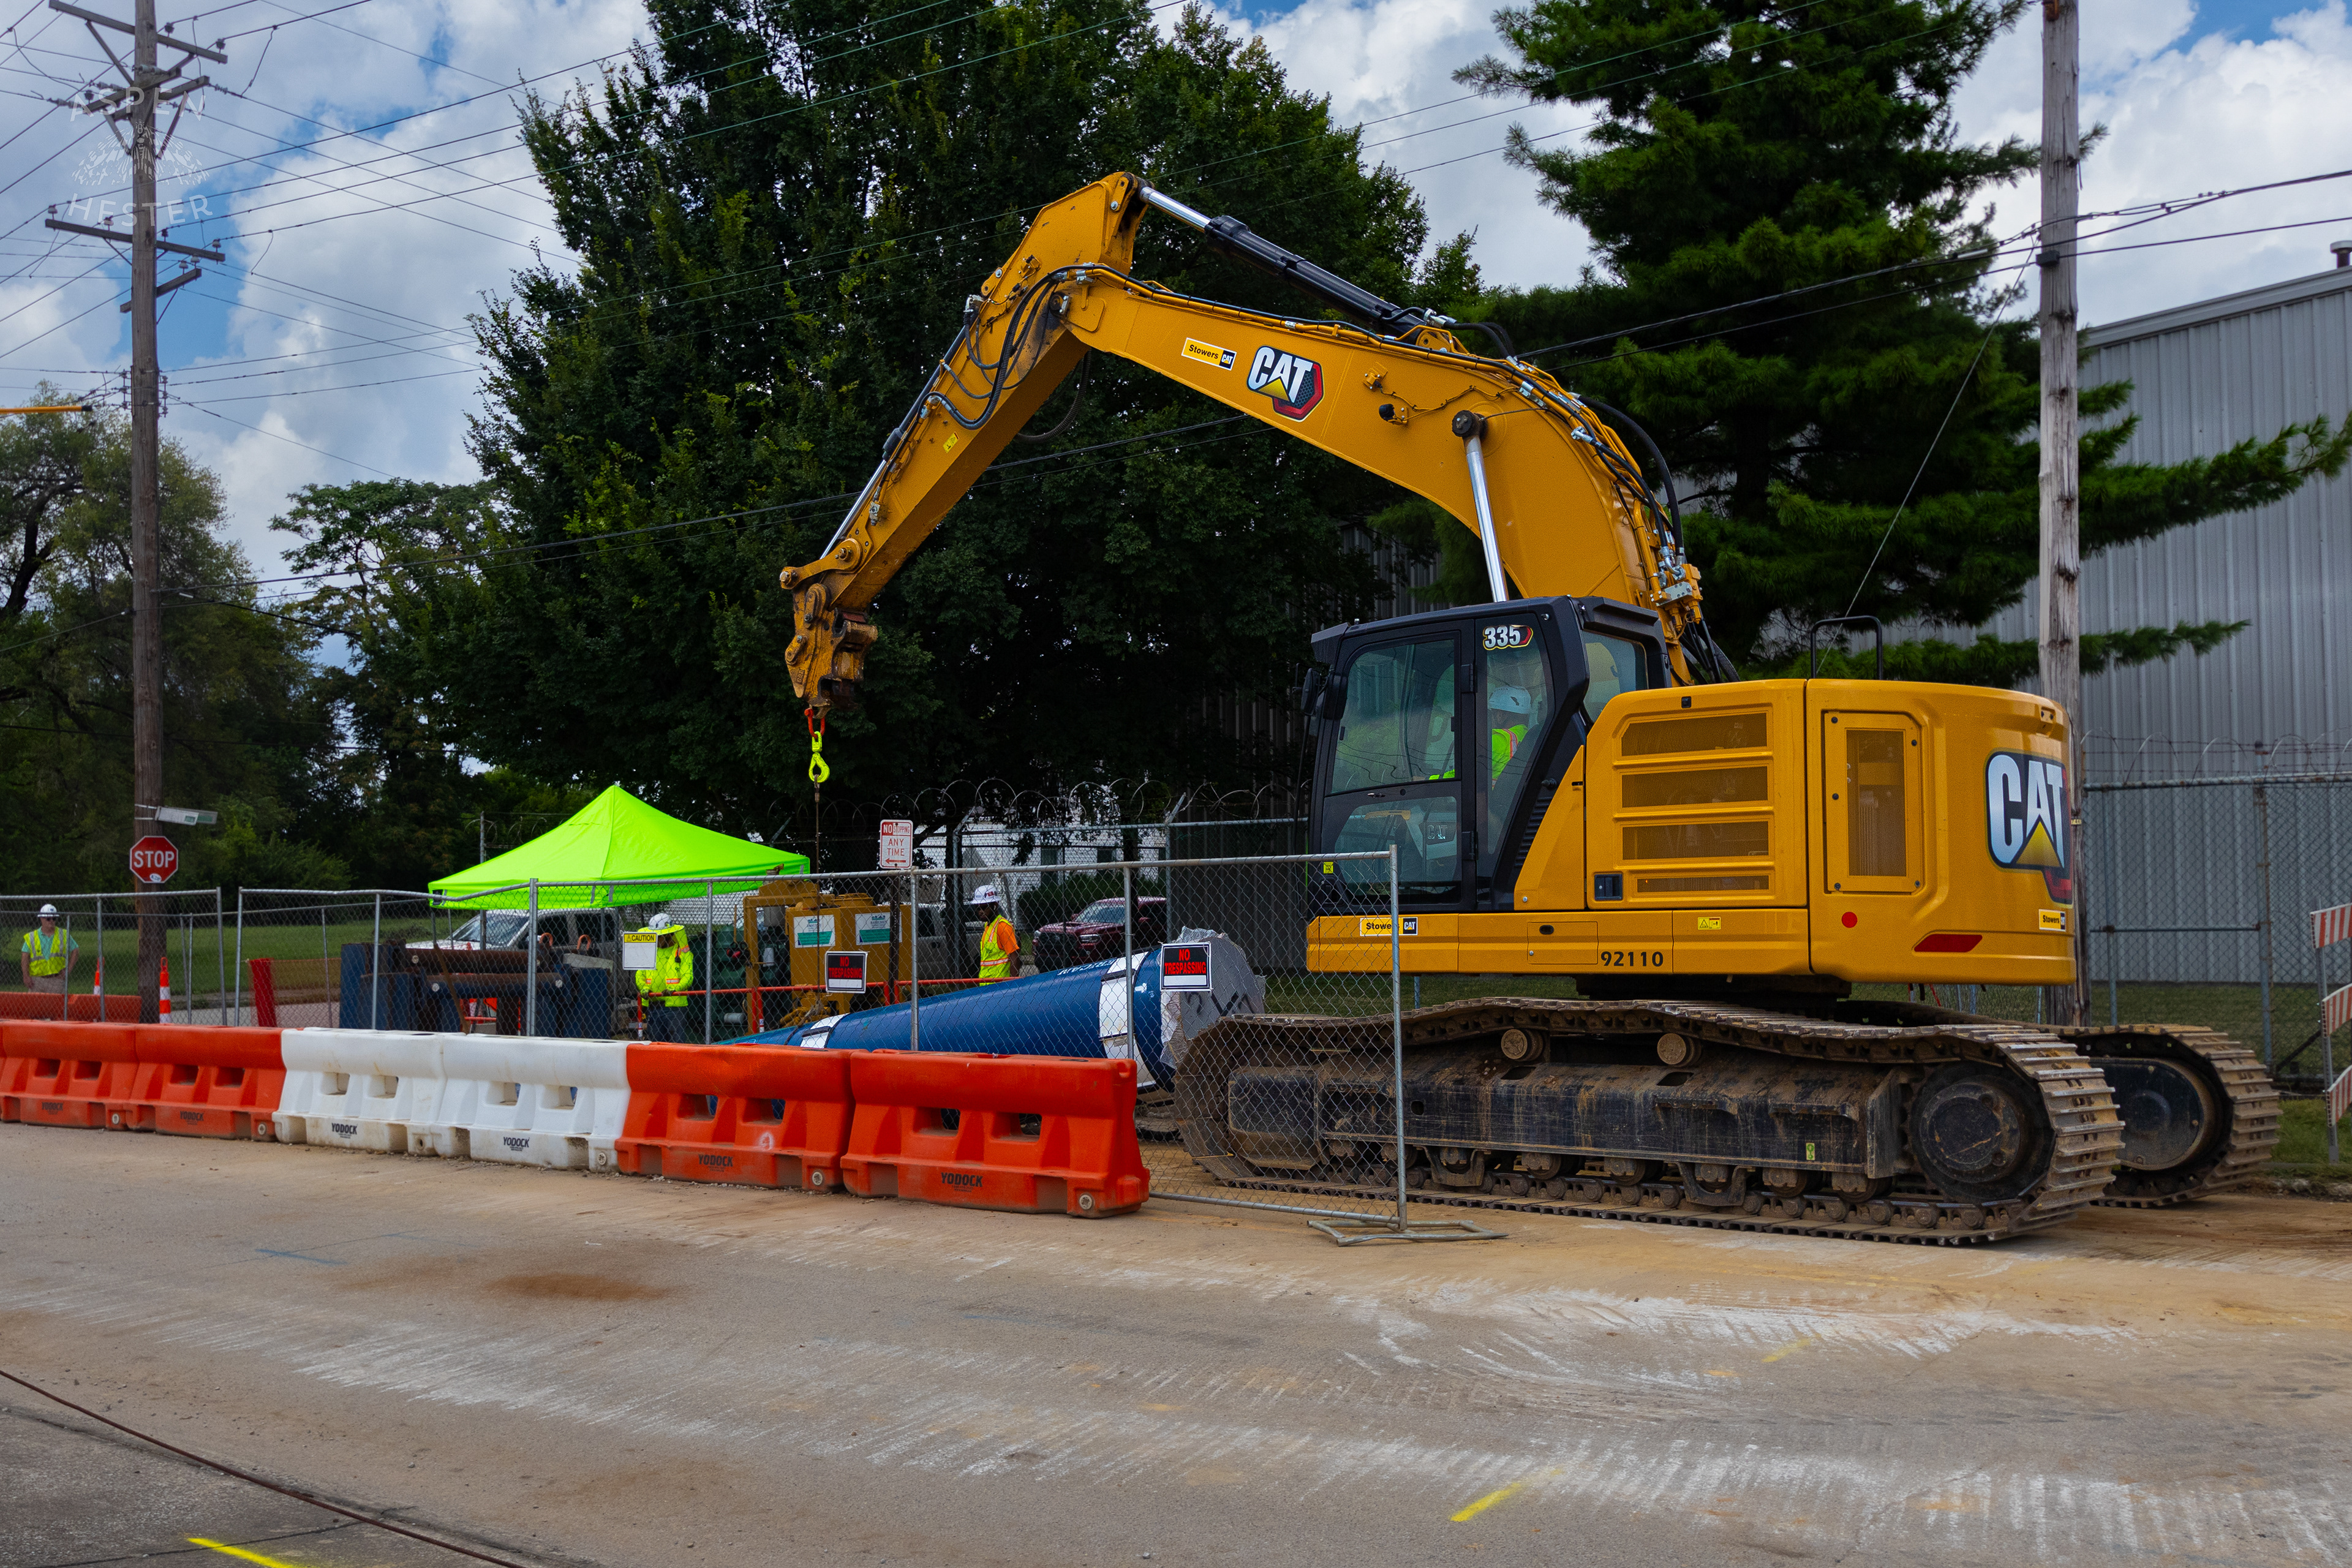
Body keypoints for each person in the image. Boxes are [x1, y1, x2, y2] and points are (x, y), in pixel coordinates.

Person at [630, 913, 695, 1039]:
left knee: (677, 1044)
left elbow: (688, 976)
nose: (656, 940)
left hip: (675, 1007)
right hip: (654, 1007)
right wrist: (643, 988)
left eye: (659, 937)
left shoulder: (682, 952)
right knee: (656, 1044)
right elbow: (640, 974)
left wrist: (675, 989)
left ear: (669, 935)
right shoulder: (650, 952)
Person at [20, 903, 79, 997]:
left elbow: (75, 950)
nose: (51, 921)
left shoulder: (63, 934)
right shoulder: (31, 937)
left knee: (57, 1009)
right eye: (48, 919)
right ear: (41, 919)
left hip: (56, 980)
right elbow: (25, 958)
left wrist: (68, 970)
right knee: (35, 1010)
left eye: (54, 918)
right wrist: (26, 976)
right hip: (36, 981)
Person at [972, 885, 1020, 982]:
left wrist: (1013, 986)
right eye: (978, 908)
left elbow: (1015, 957)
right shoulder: (988, 926)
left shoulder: (1002, 927)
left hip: (999, 987)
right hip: (987, 986)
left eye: (984, 907)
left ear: (995, 906)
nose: (981, 912)